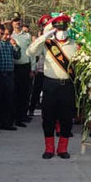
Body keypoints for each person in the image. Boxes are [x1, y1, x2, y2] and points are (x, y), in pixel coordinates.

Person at [26, 14, 78, 158]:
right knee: (48, 117)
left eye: (63, 28)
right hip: (50, 84)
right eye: (58, 29)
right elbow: (30, 52)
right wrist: (43, 37)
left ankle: (62, 149)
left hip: (67, 85)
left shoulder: (75, 45)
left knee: (66, 118)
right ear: (54, 29)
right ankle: (49, 148)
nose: (61, 31)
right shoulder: (47, 44)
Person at [11, 13, 33, 127]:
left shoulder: (27, 36)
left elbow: (31, 52)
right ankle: (15, 117)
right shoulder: (9, 35)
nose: (17, 23)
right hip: (14, 67)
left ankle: (23, 115)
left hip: (25, 66)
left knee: (24, 92)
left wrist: (32, 68)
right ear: (12, 23)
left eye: (18, 21)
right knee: (15, 93)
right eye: (15, 21)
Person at [0, 22, 18, 130]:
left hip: (9, 75)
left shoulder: (9, 44)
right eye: (4, 34)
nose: (6, 36)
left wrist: (15, 46)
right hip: (0, 75)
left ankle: (6, 122)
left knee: (8, 99)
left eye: (8, 34)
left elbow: (17, 56)